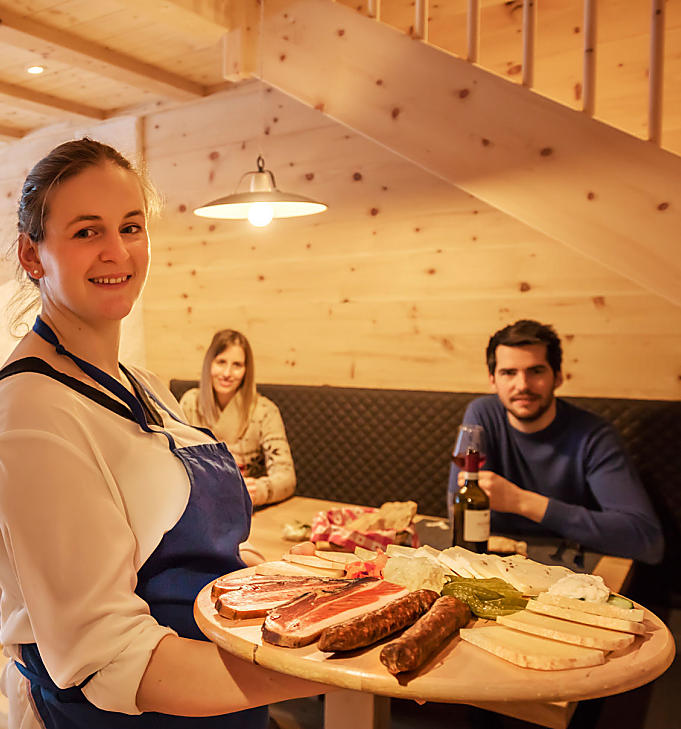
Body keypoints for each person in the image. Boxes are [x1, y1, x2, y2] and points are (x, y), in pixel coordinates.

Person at [0, 138, 328, 729]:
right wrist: (330, 665)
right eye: (85, 232)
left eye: (131, 226)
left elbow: (180, 547)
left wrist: (284, 580)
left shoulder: (142, 384)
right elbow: (112, 660)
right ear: (32, 254)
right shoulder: (31, 411)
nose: (117, 251)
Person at [449, 319, 664, 565]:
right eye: (508, 373)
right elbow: (460, 511)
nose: (522, 385)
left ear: (558, 376)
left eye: (536, 371)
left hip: (572, 568)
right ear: (492, 379)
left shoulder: (593, 435)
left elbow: (646, 539)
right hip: (497, 566)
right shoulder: (481, 416)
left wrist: (521, 501)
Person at [179, 330, 296, 507]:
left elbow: (286, 478)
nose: (227, 373)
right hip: (199, 505)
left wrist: (259, 490)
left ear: (246, 370)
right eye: (221, 362)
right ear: (209, 364)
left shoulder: (265, 411)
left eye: (237, 365)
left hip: (246, 507)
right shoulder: (190, 403)